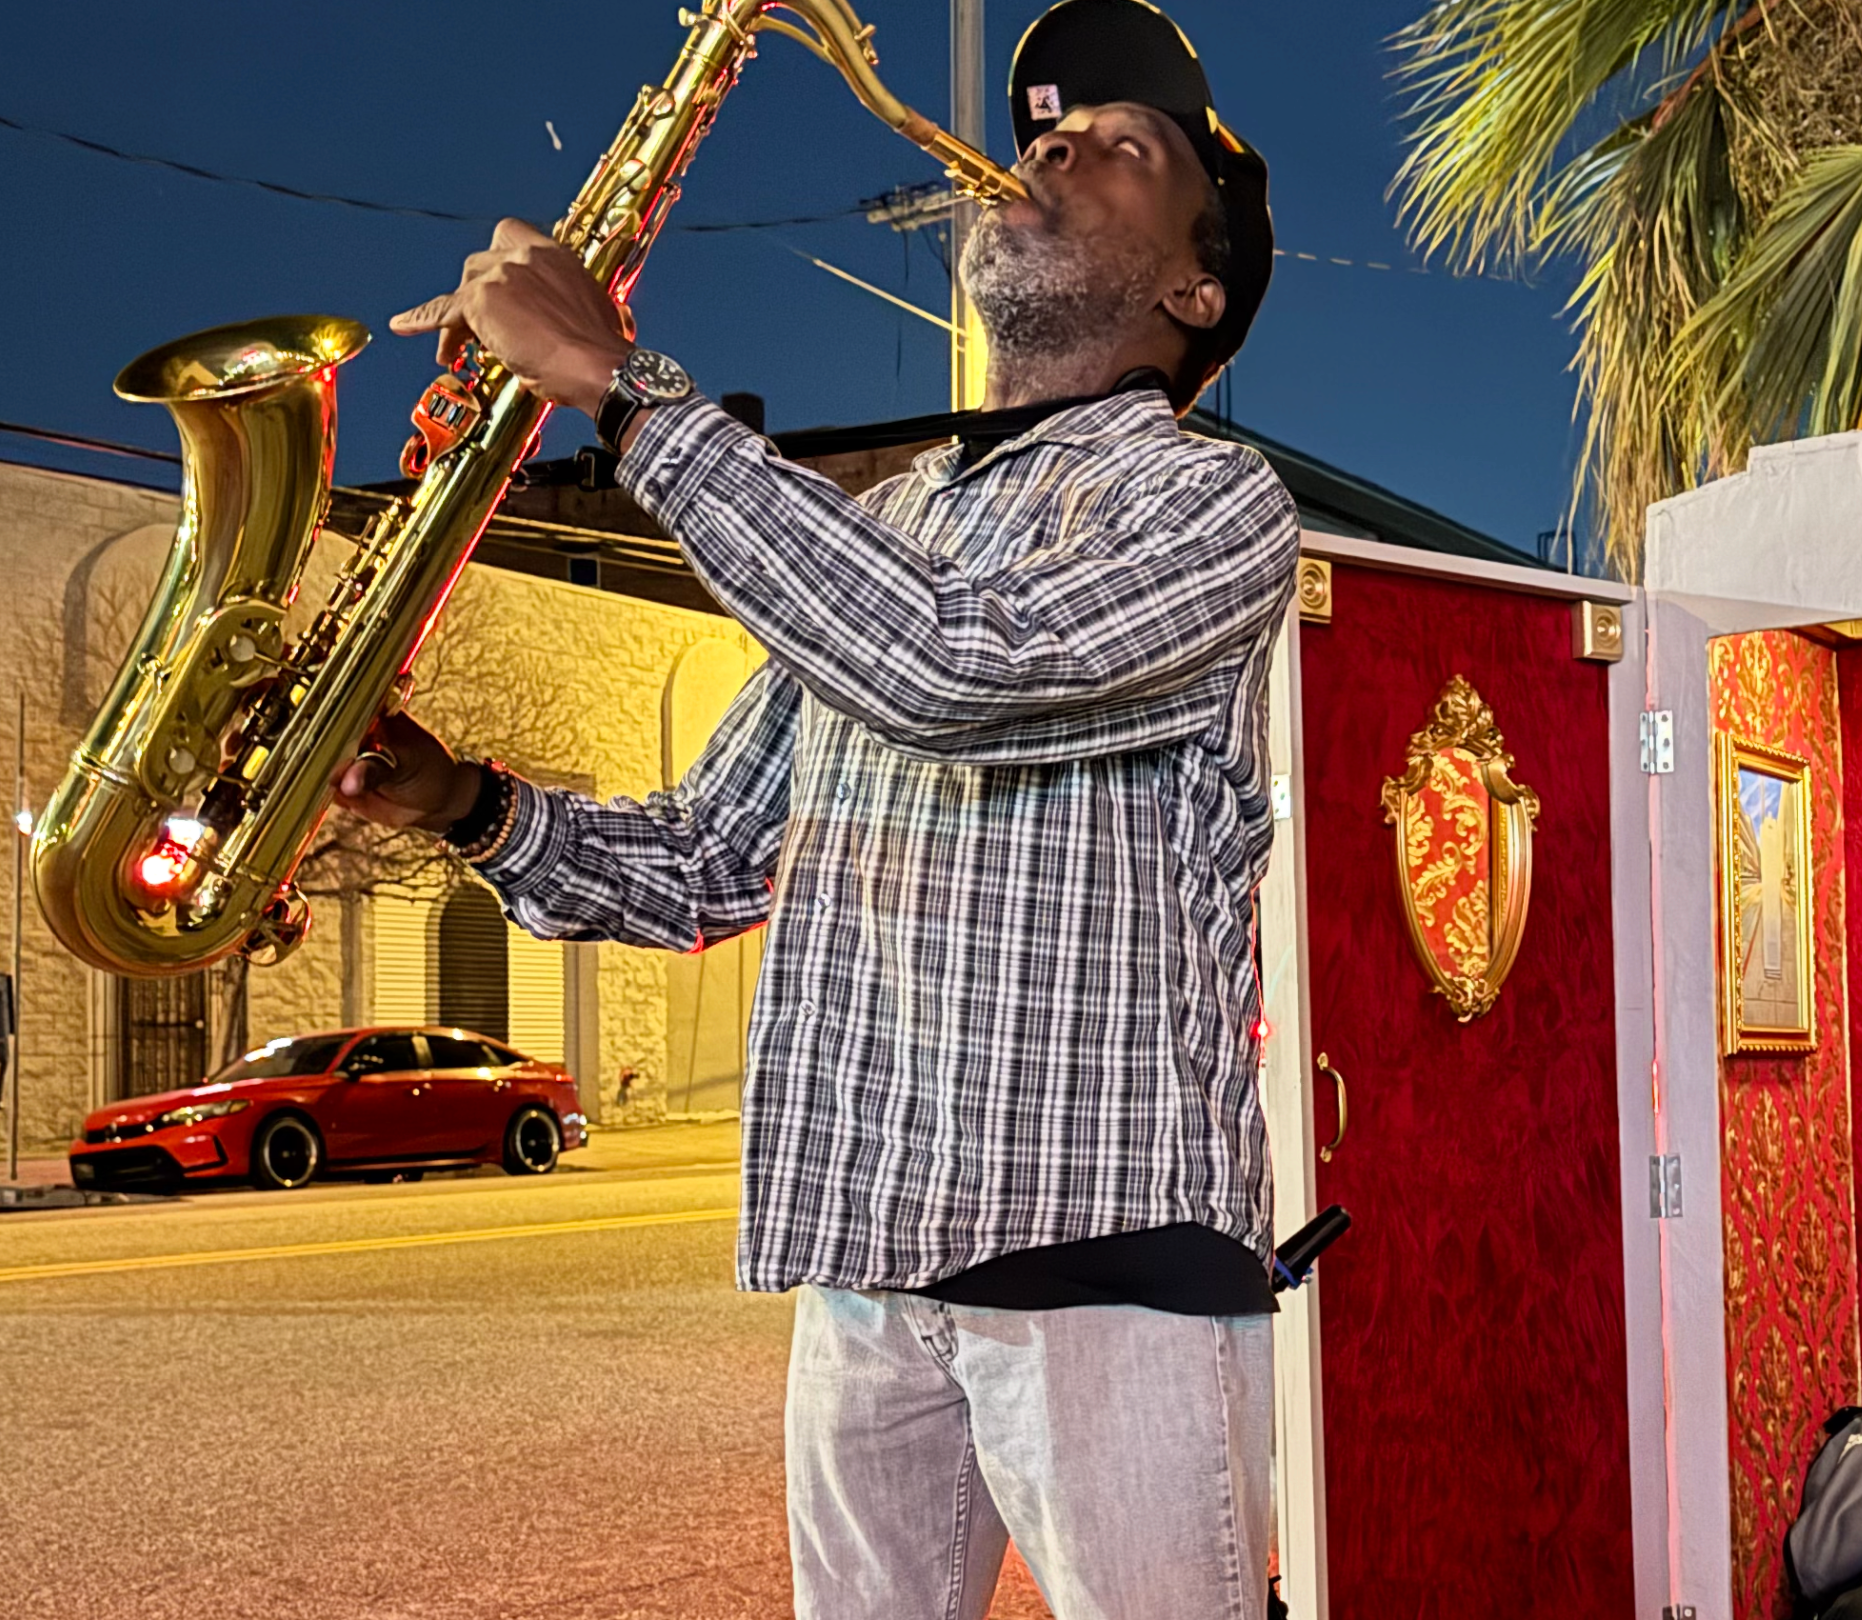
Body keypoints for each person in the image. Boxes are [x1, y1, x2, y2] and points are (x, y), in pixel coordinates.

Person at [333, 4, 1291, 1616]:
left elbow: (954, 668)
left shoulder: (1208, 498)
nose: (1056, 143)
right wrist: (463, 799)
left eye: (1125, 147)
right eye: (1051, 130)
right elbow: (707, 858)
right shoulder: (888, 521)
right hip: (866, 1270)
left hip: (1108, 1267)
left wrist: (625, 392)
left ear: (1196, 292)